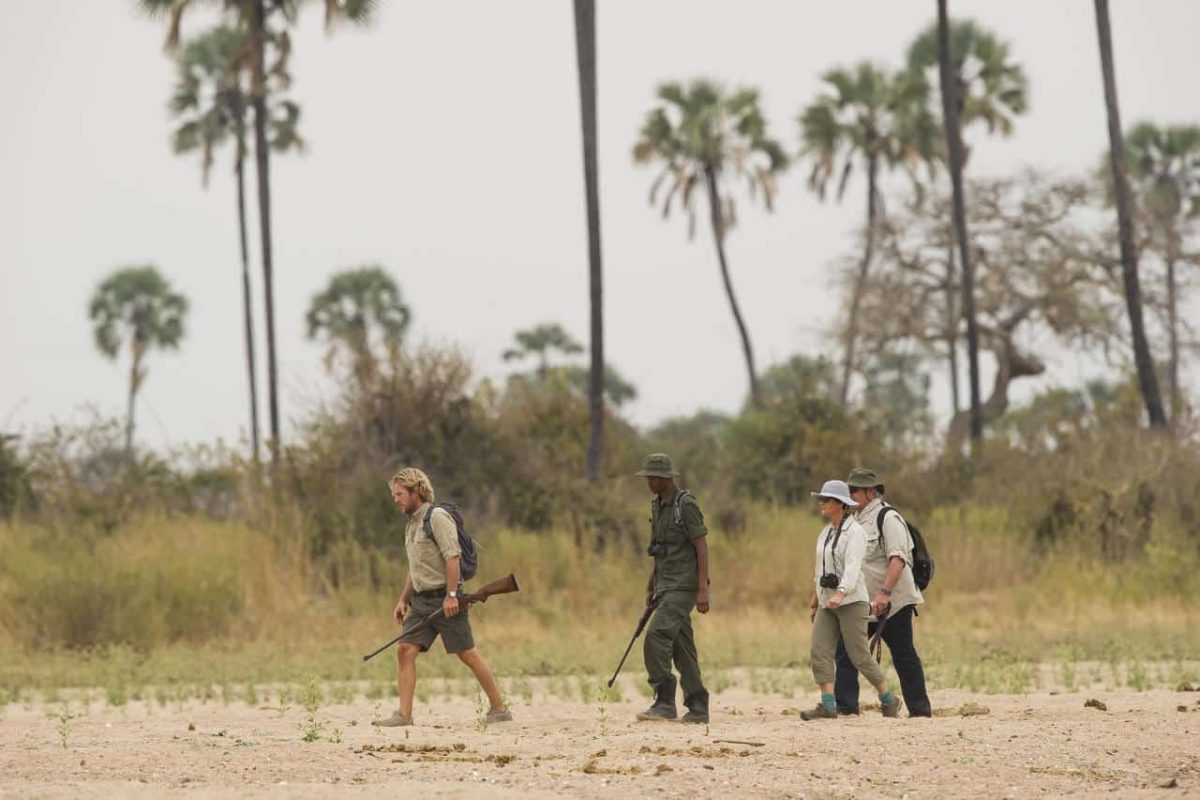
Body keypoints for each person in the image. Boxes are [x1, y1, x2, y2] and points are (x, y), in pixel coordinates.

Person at [372, 467, 512, 728]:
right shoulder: (411, 524)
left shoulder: (437, 517)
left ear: (417, 491)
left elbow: (452, 557)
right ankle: (404, 715)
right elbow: (415, 568)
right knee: (405, 650)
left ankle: (499, 708)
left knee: (467, 654)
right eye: (395, 494)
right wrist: (403, 599)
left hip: (446, 599)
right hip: (421, 602)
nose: (396, 499)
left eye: (400, 493)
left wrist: (450, 595)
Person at [835, 467, 931, 717]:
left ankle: (921, 712)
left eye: (853, 490)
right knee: (846, 649)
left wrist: (885, 593)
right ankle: (845, 709)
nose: (849, 495)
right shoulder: (854, 521)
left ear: (869, 492)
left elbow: (898, 559)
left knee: (903, 653)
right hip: (865, 602)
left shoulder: (888, 518)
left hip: (894, 602)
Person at [802, 479, 902, 720]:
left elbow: (853, 567)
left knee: (858, 655)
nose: (822, 504)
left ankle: (889, 699)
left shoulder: (855, 532)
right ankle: (828, 704)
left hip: (852, 601)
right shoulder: (825, 533)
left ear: (840, 504)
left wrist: (842, 592)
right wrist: (816, 598)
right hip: (829, 601)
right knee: (819, 649)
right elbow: (820, 569)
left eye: (826, 500)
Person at [633, 453, 712, 724]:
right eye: (648, 477)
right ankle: (698, 704)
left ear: (667, 478)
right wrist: (651, 585)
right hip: (666, 585)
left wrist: (703, 589)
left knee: (655, 636)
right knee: (682, 647)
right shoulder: (656, 506)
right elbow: (660, 549)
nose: (650, 482)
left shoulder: (685, 504)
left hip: (684, 586)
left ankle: (665, 700)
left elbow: (701, 547)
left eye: (655, 477)